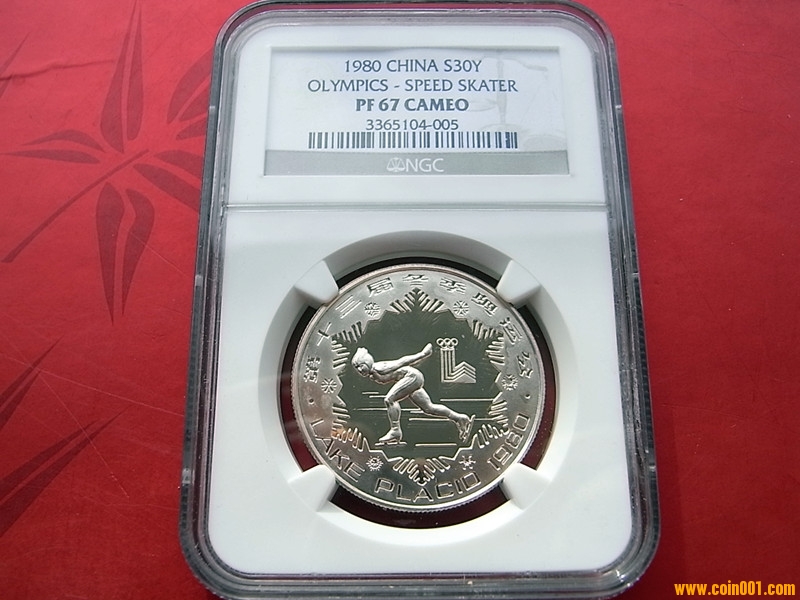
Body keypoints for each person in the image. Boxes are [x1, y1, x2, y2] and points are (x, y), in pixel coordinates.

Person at [352, 343, 474, 444]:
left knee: (389, 399)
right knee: (429, 408)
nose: (359, 370)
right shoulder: (373, 375)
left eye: (361, 366)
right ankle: (460, 418)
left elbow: (402, 361)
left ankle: (395, 430)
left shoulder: (379, 368)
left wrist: (422, 355)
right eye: (357, 368)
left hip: (412, 377)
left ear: (367, 362)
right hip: (411, 379)